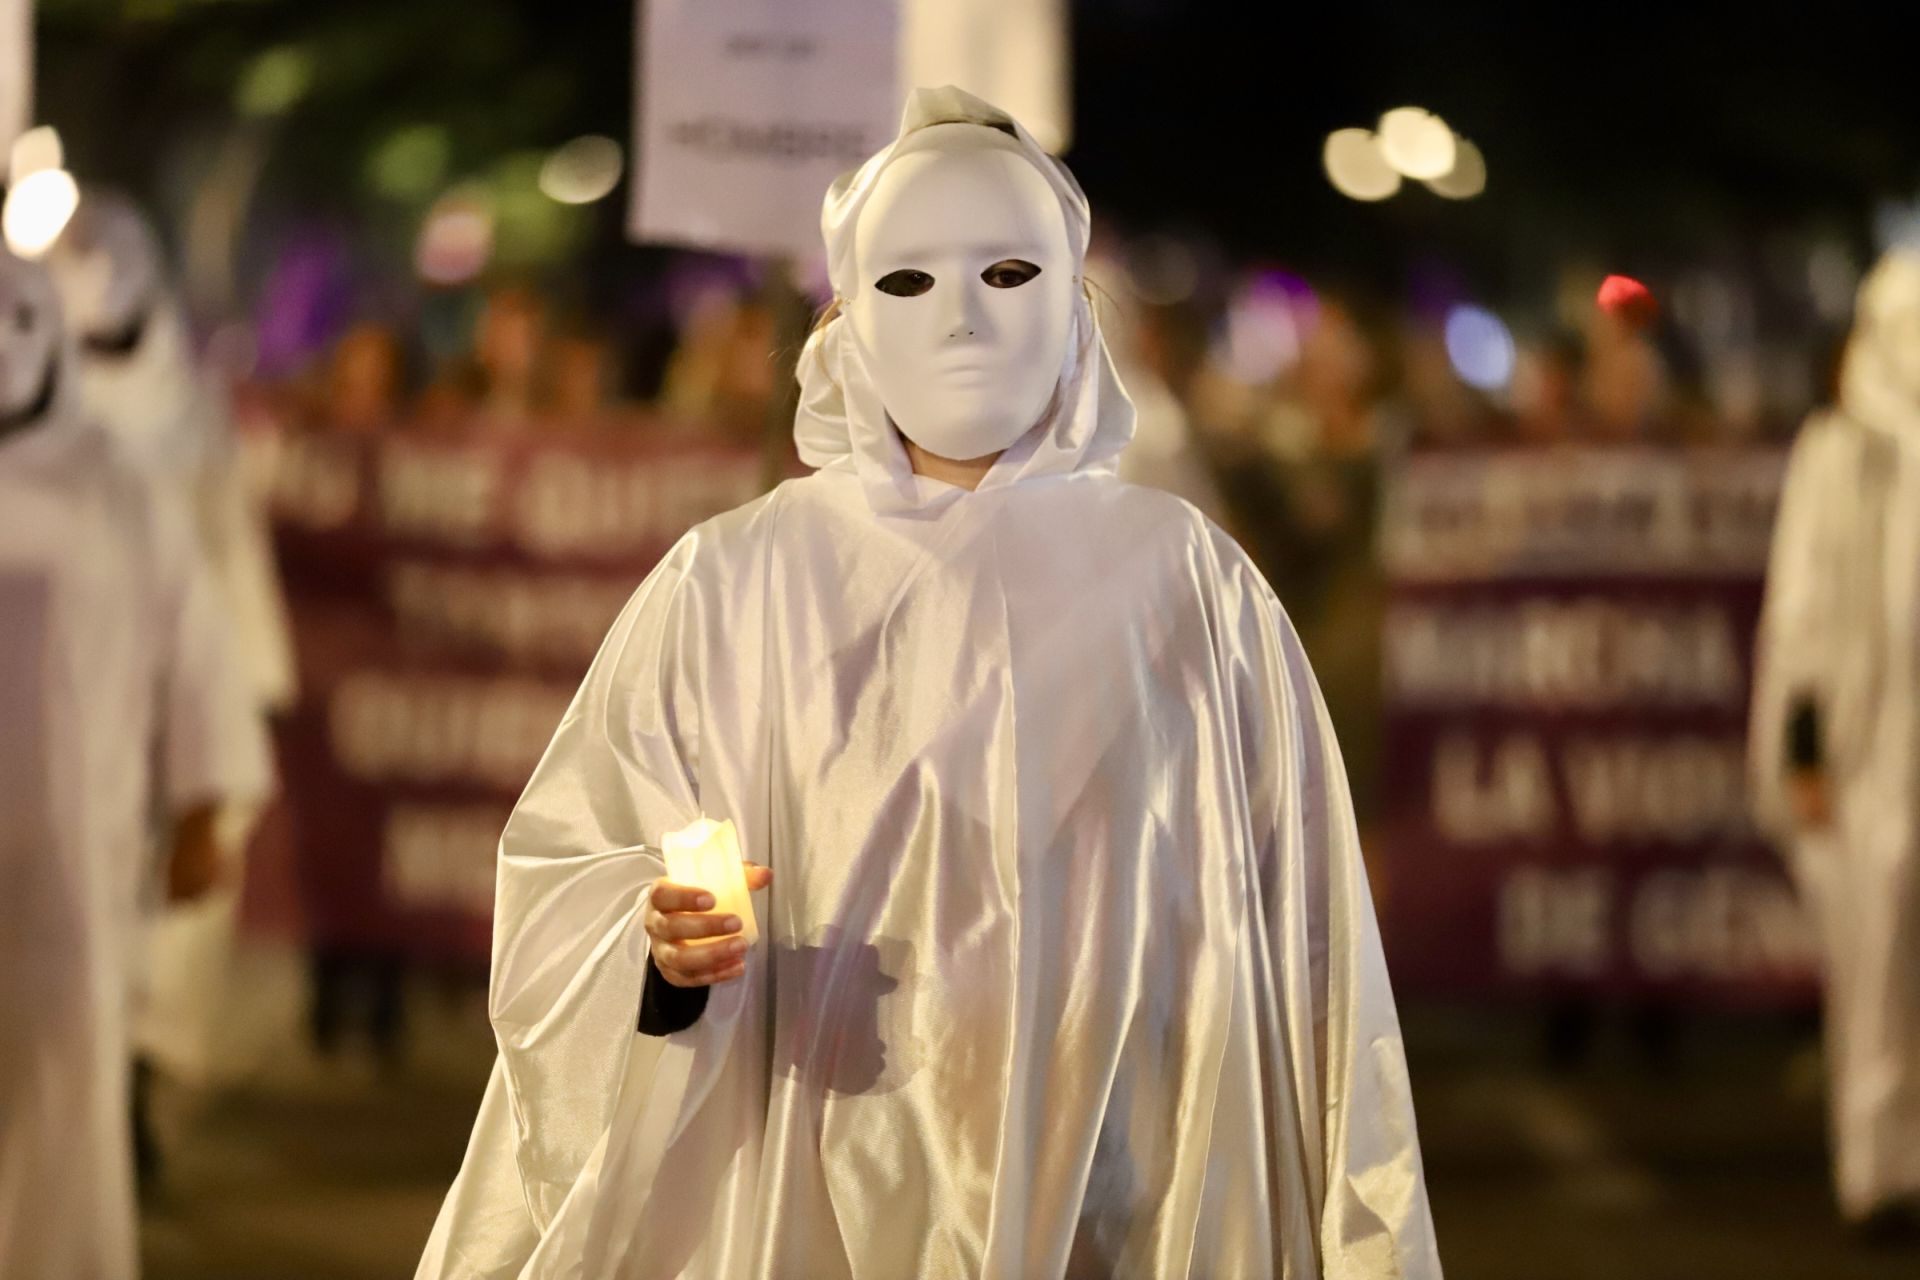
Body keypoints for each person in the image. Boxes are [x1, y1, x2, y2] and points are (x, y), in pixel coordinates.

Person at [419, 88, 1439, 1279]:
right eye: (911, 281)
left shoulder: (1189, 584)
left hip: (1125, 1175)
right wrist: (661, 949)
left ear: (1076, 302)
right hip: (813, 1164)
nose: (961, 318)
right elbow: (574, 878)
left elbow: (1302, 932)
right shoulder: (737, 583)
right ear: (846, 319)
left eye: (1006, 271)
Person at [0, 248, 268, 1278]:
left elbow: (198, 651)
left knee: (63, 1116)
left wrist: (203, 810)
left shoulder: (115, 491)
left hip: (71, 865)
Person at [1751, 247, 1920, 1240]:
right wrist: (1806, 752)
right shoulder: (1838, 449)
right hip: (1867, 762)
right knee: (1874, 960)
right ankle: (1877, 1167)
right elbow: (1802, 612)